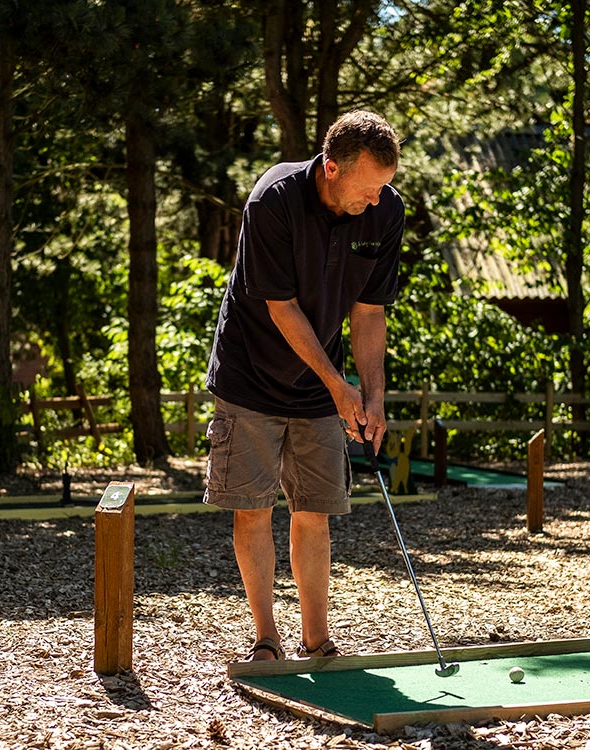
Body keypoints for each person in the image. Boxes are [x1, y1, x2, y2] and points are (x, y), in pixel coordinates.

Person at [203, 110, 404, 661]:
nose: (376, 199)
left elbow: (369, 311)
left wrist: (373, 394)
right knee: (253, 508)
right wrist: (339, 386)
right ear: (332, 168)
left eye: (384, 187)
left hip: (320, 377)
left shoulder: (385, 211)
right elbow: (281, 307)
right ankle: (266, 639)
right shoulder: (273, 200)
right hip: (250, 374)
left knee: (315, 509)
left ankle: (317, 640)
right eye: (367, 187)